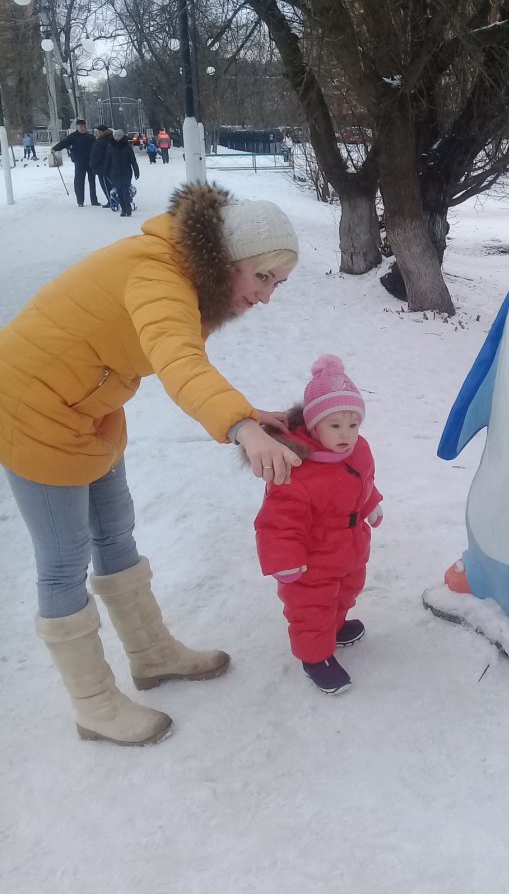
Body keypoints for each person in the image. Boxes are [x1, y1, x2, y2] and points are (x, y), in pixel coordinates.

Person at [0, 183, 302, 745]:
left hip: (88, 409)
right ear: (230, 258)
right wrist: (237, 426)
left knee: (115, 534)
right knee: (64, 562)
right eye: (263, 278)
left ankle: (152, 654)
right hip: (30, 407)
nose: (266, 297)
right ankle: (93, 705)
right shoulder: (158, 272)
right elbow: (177, 358)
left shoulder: (190, 275)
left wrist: (247, 413)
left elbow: (185, 353)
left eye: (277, 285)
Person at [255, 356, 382, 695]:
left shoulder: (359, 451)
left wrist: (372, 503)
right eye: (335, 426)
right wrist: (285, 561)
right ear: (313, 426)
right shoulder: (296, 470)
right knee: (313, 608)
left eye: (353, 425)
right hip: (311, 562)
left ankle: (335, 627)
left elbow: (363, 483)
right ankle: (315, 656)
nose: (346, 435)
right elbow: (278, 523)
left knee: (347, 591)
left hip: (351, 548)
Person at [52, 119, 101, 207]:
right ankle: (80, 201)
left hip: (91, 162)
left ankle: (94, 200)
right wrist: (55, 148)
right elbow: (64, 143)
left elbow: (97, 147)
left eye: (84, 126)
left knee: (92, 181)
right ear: (77, 127)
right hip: (79, 162)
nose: (83, 128)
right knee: (79, 182)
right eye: (81, 127)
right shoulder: (73, 136)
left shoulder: (91, 137)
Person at [103, 127, 140, 217]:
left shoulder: (127, 147)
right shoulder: (110, 146)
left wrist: (136, 171)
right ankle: (123, 210)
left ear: (122, 136)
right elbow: (108, 160)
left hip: (126, 172)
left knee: (125, 190)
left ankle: (128, 209)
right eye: (115, 136)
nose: (117, 137)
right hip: (115, 173)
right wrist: (105, 172)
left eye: (119, 136)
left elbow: (133, 160)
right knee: (119, 191)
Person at [89, 125, 114, 206]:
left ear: (100, 132)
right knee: (114, 183)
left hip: (102, 167)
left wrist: (92, 164)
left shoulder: (100, 141)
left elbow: (96, 155)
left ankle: (111, 200)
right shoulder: (113, 138)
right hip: (113, 165)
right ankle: (119, 198)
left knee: (105, 185)